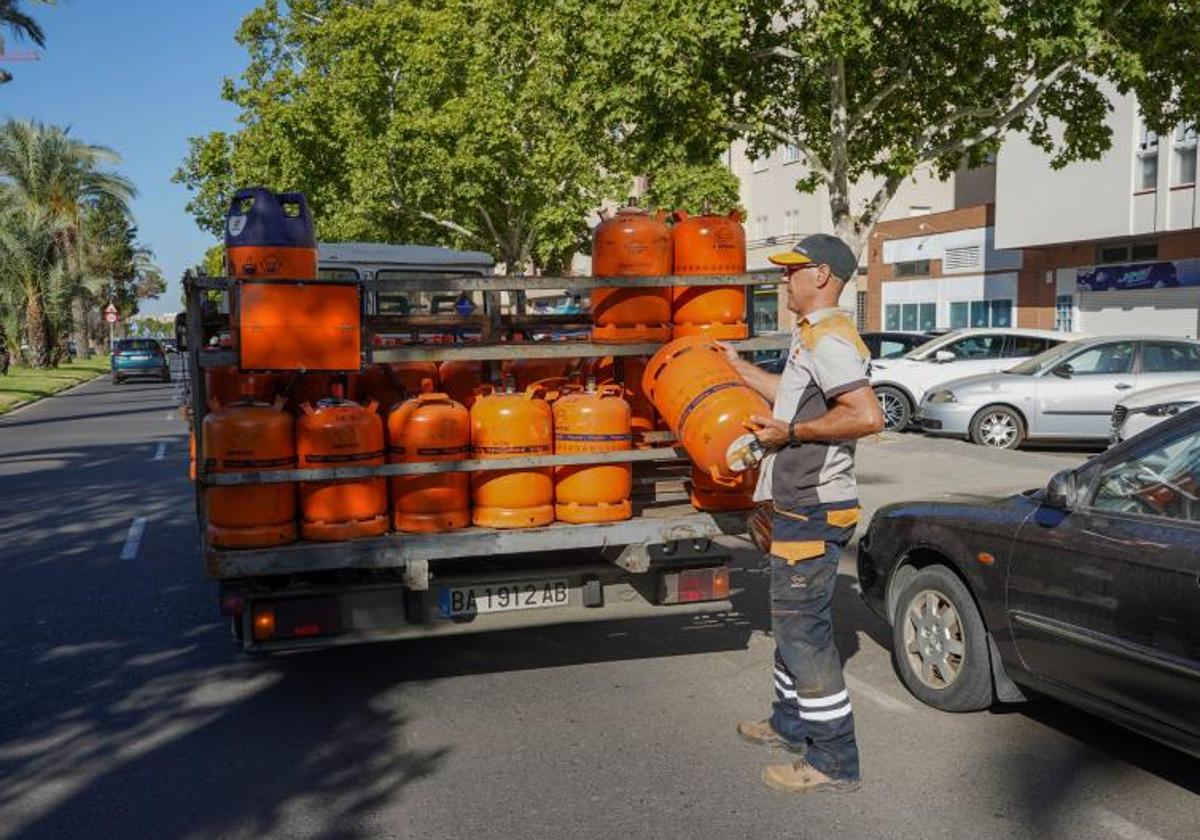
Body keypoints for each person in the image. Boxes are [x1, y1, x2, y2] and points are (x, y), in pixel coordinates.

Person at [721, 233, 884, 794]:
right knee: (791, 624)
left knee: (803, 633)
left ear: (820, 274)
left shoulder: (830, 339)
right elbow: (789, 397)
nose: (781, 280)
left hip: (813, 509)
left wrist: (791, 433)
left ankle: (834, 760)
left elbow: (866, 415)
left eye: (791, 271)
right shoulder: (811, 337)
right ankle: (789, 724)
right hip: (800, 505)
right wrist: (738, 368)